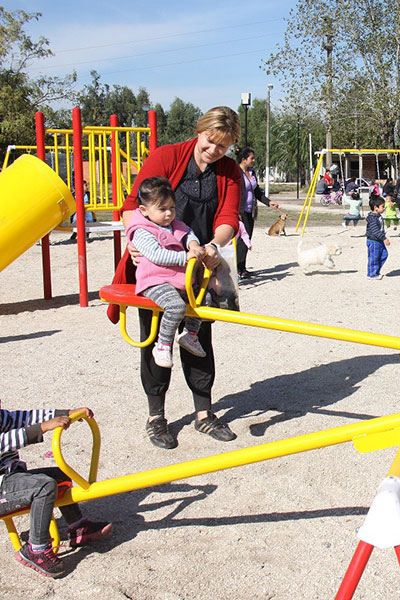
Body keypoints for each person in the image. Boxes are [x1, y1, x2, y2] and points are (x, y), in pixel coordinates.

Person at [110, 106, 241, 449]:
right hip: (158, 267)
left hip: (197, 268)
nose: (214, 150)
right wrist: (136, 242)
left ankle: (204, 413)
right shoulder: (167, 157)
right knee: (157, 335)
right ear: (199, 131)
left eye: (223, 146)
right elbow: (132, 205)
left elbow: (228, 217)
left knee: (198, 336)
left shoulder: (229, 171)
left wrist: (213, 246)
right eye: (210, 141)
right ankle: (156, 417)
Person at [1, 404, 112, 577]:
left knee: (60, 475)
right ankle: (36, 548)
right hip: (3, 488)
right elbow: (6, 440)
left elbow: (29, 417)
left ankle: (77, 526)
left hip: (11, 478)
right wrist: (43, 427)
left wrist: (66, 414)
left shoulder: (3, 418)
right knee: (43, 487)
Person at [127, 176, 207, 369]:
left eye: (172, 208)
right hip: (155, 281)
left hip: (178, 279)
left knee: (205, 298)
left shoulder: (175, 225)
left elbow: (188, 233)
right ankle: (163, 345)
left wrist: (193, 244)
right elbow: (156, 255)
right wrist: (185, 257)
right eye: (162, 209)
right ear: (144, 210)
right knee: (176, 307)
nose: (169, 213)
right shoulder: (142, 231)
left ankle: (190, 334)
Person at [237, 147, 275, 280]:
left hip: (250, 211)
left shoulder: (251, 172)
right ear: (244, 159)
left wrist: (269, 202)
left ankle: (242, 268)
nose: (254, 160)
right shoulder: (236, 173)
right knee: (241, 240)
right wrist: (235, 211)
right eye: (251, 158)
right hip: (240, 212)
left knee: (247, 239)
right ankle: (238, 269)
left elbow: (257, 191)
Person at [365, 193, 390, 279]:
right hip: (373, 241)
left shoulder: (378, 216)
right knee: (374, 258)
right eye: (382, 207)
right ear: (376, 207)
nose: (384, 208)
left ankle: (376, 270)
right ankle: (372, 274)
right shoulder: (372, 218)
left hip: (379, 240)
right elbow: (375, 231)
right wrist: (384, 238)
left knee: (384, 254)